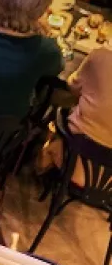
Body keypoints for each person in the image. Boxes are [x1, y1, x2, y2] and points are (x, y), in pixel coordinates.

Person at [37, 46, 112, 186]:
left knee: (60, 105)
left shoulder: (101, 55)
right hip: (107, 184)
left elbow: (73, 87)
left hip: (74, 158)